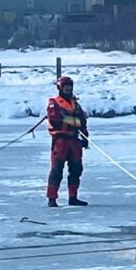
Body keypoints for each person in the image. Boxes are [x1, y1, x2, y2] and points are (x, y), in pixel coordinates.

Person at [46, 75, 89, 207]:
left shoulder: (75, 104)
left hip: (74, 140)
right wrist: (74, 122)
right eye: (66, 87)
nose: (68, 90)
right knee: (57, 170)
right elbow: (56, 120)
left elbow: (82, 121)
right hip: (60, 141)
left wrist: (85, 136)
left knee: (76, 169)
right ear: (60, 88)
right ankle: (52, 198)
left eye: (70, 87)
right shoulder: (54, 103)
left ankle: (73, 197)